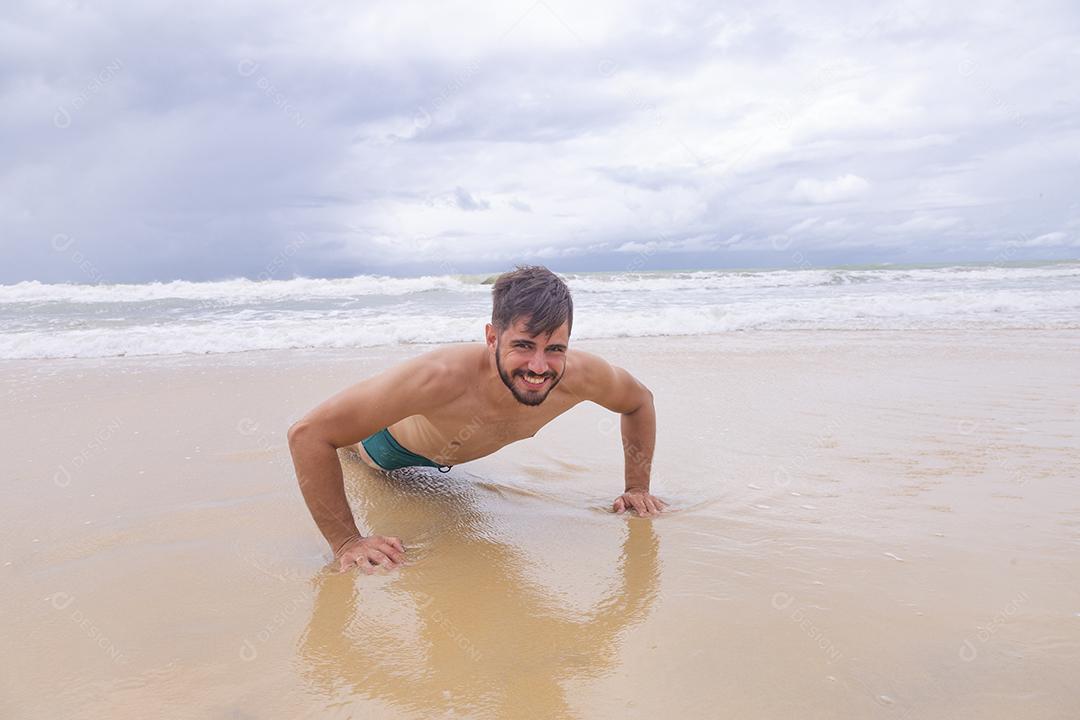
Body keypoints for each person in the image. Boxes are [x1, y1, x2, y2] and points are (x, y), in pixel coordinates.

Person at [288, 265, 664, 573]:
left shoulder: (584, 375)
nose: (538, 366)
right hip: (384, 450)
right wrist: (347, 542)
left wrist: (636, 488)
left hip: (445, 457)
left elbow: (639, 402)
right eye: (522, 345)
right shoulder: (439, 376)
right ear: (491, 337)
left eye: (555, 349)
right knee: (345, 438)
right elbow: (307, 435)